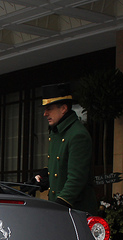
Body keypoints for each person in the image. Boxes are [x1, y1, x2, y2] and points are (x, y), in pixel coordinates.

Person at [32, 83, 98, 214]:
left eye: (49, 108)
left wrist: (57, 206)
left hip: (75, 212)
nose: (45, 114)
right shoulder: (57, 132)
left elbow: (76, 179)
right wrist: (44, 175)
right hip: (61, 211)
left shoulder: (77, 135)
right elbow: (59, 165)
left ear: (63, 108)